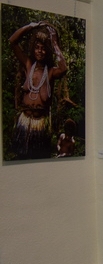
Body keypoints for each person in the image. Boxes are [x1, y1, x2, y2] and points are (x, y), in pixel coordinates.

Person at [8, 20, 67, 159]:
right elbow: (12, 41)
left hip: (40, 123)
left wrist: (54, 43)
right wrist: (31, 26)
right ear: (33, 49)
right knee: (21, 157)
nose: (40, 51)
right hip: (25, 121)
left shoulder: (51, 72)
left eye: (43, 48)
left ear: (47, 51)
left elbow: (63, 68)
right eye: (37, 47)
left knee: (38, 157)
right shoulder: (29, 65)